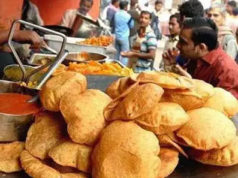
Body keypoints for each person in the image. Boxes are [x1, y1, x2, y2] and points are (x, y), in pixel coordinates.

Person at [164, 17, 238, 98]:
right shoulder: (194, 57)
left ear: (201, 47)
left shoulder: (227, 70)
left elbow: (224, 107)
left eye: (183, 42)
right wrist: (172, 66)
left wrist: (193, 86)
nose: (178, 45)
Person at [114, 1, 134, 66]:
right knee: (125, 54)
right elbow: (132, 25)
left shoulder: (116, 14)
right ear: (125, 7)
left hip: (117, 36)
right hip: (124, 37)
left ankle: (115, 67)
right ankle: (122, 68)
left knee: (116, 54)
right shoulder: (128, 16)